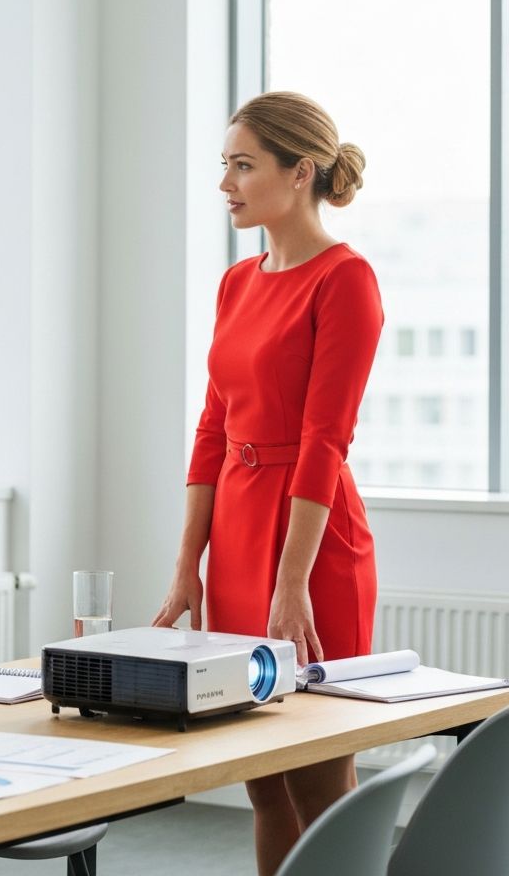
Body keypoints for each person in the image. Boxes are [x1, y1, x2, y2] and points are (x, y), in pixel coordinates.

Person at [152, 91, 383, 876]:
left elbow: (325, 441)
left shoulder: (345, 280)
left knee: (319, 773)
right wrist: (189, 563)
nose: (227, 182)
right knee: (260, 780)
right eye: (225, 164)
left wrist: (293, 581)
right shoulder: (236, 283)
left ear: (301, 171)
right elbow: (213, 429)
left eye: (244, 165)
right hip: (240, 533)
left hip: (311, 544)